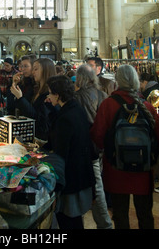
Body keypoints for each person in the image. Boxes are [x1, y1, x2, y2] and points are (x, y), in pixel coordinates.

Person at [91, 64, 159, 229]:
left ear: (117, 81)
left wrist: (110, 151)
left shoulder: (108, 104)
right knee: (145, 214)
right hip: (143, 169)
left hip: (116, 168)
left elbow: (97, 135)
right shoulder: (146, 106)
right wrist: (153, 158)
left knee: (120, 215)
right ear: (136, 81)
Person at [45, 75, 96, 230]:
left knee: (68, 219)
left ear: (58, 95)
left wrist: (56, 187)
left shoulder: (66, 118)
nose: (48, 96)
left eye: (50, 93)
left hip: (71, 178)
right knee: (73, 219)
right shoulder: (74, 108)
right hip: (81, 173)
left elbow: (61, 153)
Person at [73, 64, 112, 229]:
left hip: (83, 147)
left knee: (87, 186)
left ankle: (103, 223)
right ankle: (104, 224)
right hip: (98, 146)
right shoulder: (103, 94)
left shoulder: (77, 97)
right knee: (97, 185)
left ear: (80, 78)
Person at [10, 57, 57, 141]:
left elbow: (37, 118)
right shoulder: (36, 89)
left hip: (42, 138)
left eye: (36, 69)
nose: (33, 72)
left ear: (45, 71)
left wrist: (20, 98)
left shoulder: (49, 94)